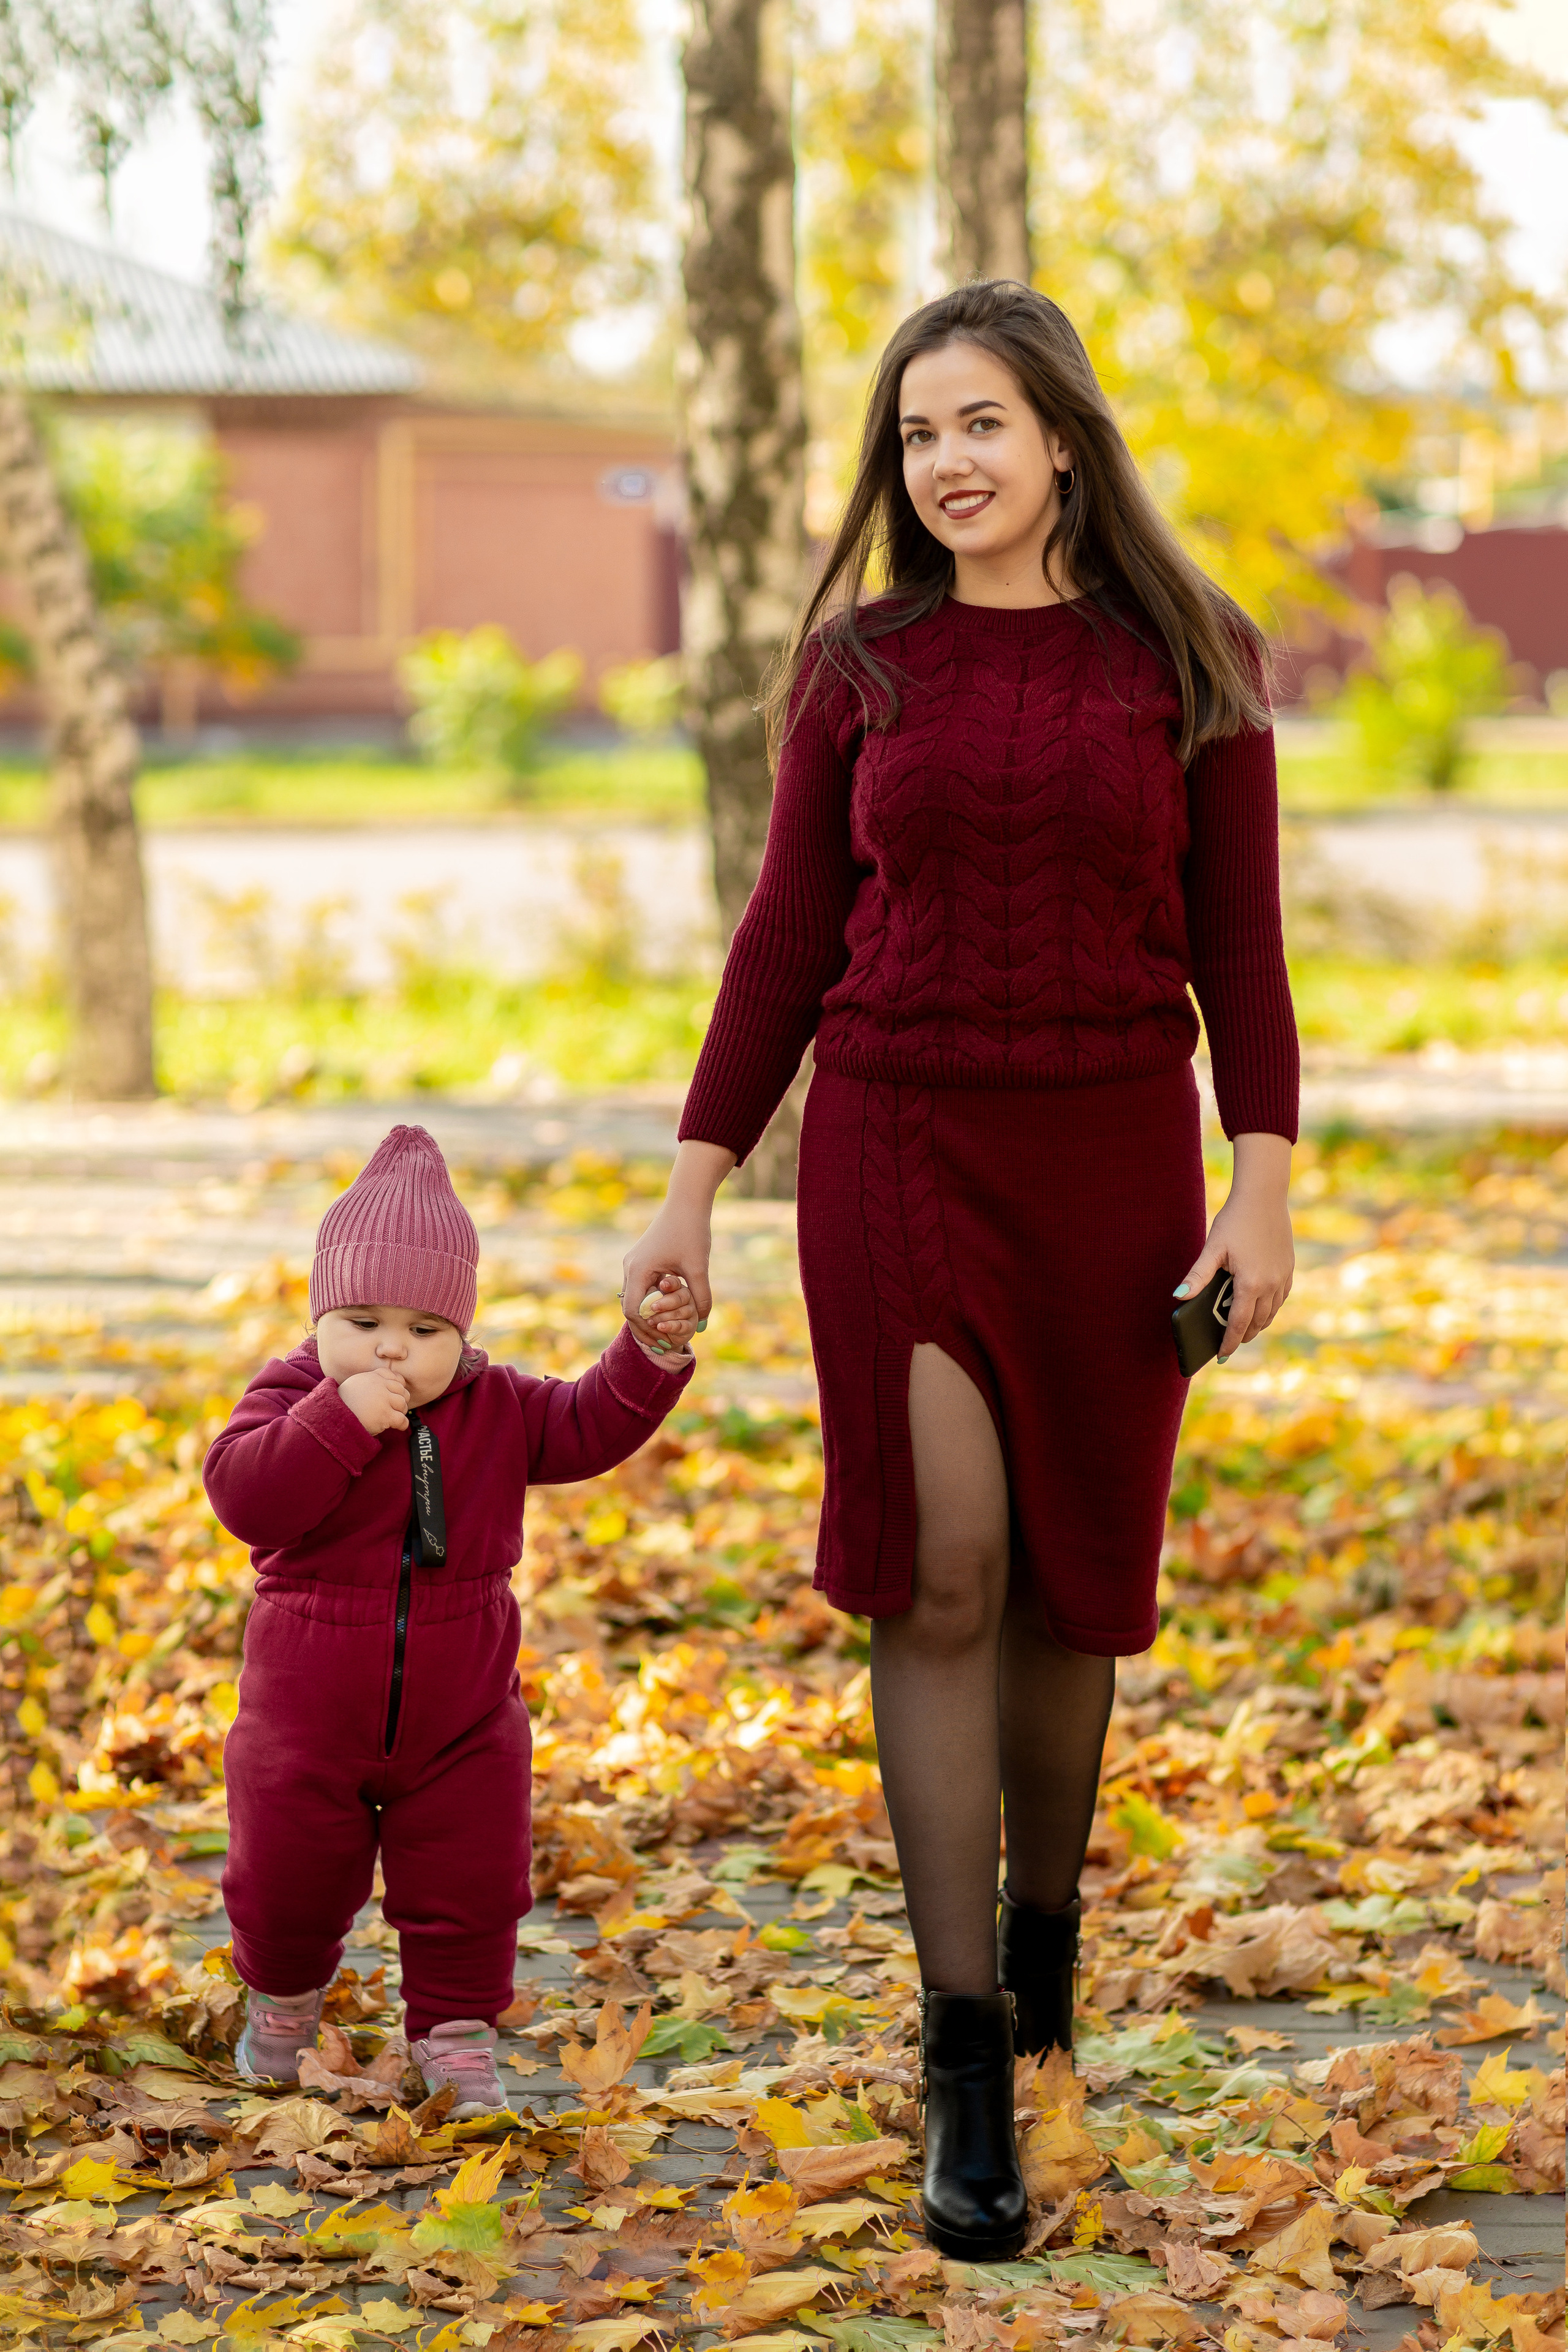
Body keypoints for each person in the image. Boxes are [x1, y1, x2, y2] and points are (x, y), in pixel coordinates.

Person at [621, 281, 1298, 2256]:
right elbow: (781, 947)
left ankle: (1049, 1957)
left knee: (1074, 1587)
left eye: (983, 424)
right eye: (920, 435)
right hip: (897, 1139)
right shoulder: (863, 668)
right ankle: (965, 2060)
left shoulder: (1190, 658)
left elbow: (1242, 958)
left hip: (1108, 1155)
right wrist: (688, 1191)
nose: (951, 464)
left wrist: (1260, 1192)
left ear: (1065, 440)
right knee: (944, 1572)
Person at [205, 1123, 698, 2113]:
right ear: (319, 1315)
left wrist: (648, 1350)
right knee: (287, 1878)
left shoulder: (496, 1406)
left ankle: (456, 2036)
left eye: (427, 1330)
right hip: (305, 1713)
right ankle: (285, 2007)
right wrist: (338, 1419)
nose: (392, 1345)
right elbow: (245, 1497)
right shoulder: (292, 1393)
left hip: (462, 1715)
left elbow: (591, 1423)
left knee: (472, 1881)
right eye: (363, 1320)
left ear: (463, 1335)